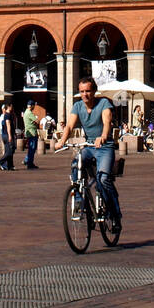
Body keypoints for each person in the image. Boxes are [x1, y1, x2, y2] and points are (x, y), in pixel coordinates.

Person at [54, 78, 121, 232]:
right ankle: (80, 203)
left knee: (103, 179)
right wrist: (62, 140)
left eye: (88, 91)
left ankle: (115, 215)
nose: (85, 94)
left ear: (94, 91)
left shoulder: (104, 103)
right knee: (75, 166)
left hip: (104, 147)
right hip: (88, 146)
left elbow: (107, 122)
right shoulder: (77, 106)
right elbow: (70, 125)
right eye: (82, 91)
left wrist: (103, 136)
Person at [0, 102, 16, 171]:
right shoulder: (7, 115)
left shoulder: (7, 115)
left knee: (8, 150)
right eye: (11, 106)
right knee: (11, 150)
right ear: (8, 107)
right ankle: (0, 161)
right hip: (7, 134)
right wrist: (10, 135)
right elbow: (8, 125)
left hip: (4, 135)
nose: (12, 107)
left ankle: (9, 166)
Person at [22, 101, 40, 169]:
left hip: (29, 132)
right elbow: (37, 121)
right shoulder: (29, 113)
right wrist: (35, 122)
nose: (34, 107)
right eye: (34, 106)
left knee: (31, 148)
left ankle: (27, 160)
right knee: (32, 148)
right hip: (32, 133)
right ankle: (30, 163)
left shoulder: (26, 112)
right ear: (32, 106)